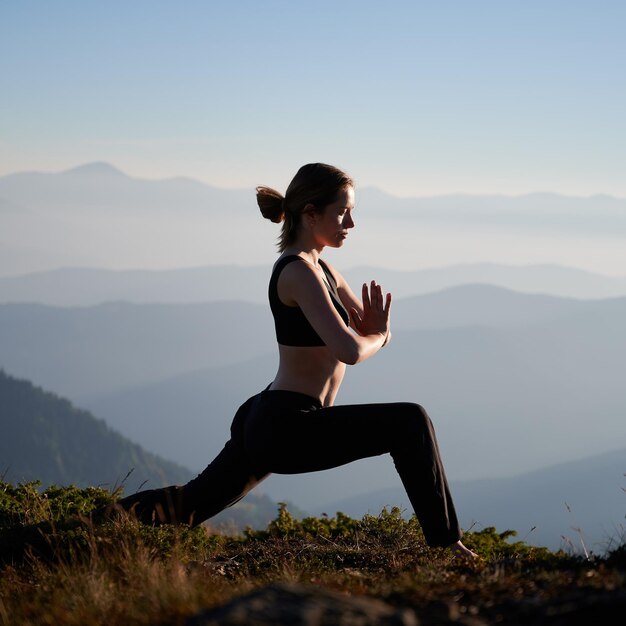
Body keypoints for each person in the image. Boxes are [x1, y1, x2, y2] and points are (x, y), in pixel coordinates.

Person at [111, 163, 477, 557]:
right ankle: (448, 545)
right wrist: (379, 335)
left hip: (274, 416)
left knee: (187, 506)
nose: (351, 223)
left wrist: (376, 331)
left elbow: (365, 330)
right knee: (411, 421)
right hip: (287, 426)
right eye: (342, 212)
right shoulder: (298, 273)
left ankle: (78, 528)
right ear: (310, 213)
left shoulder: (322, 268)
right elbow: (352, 349)